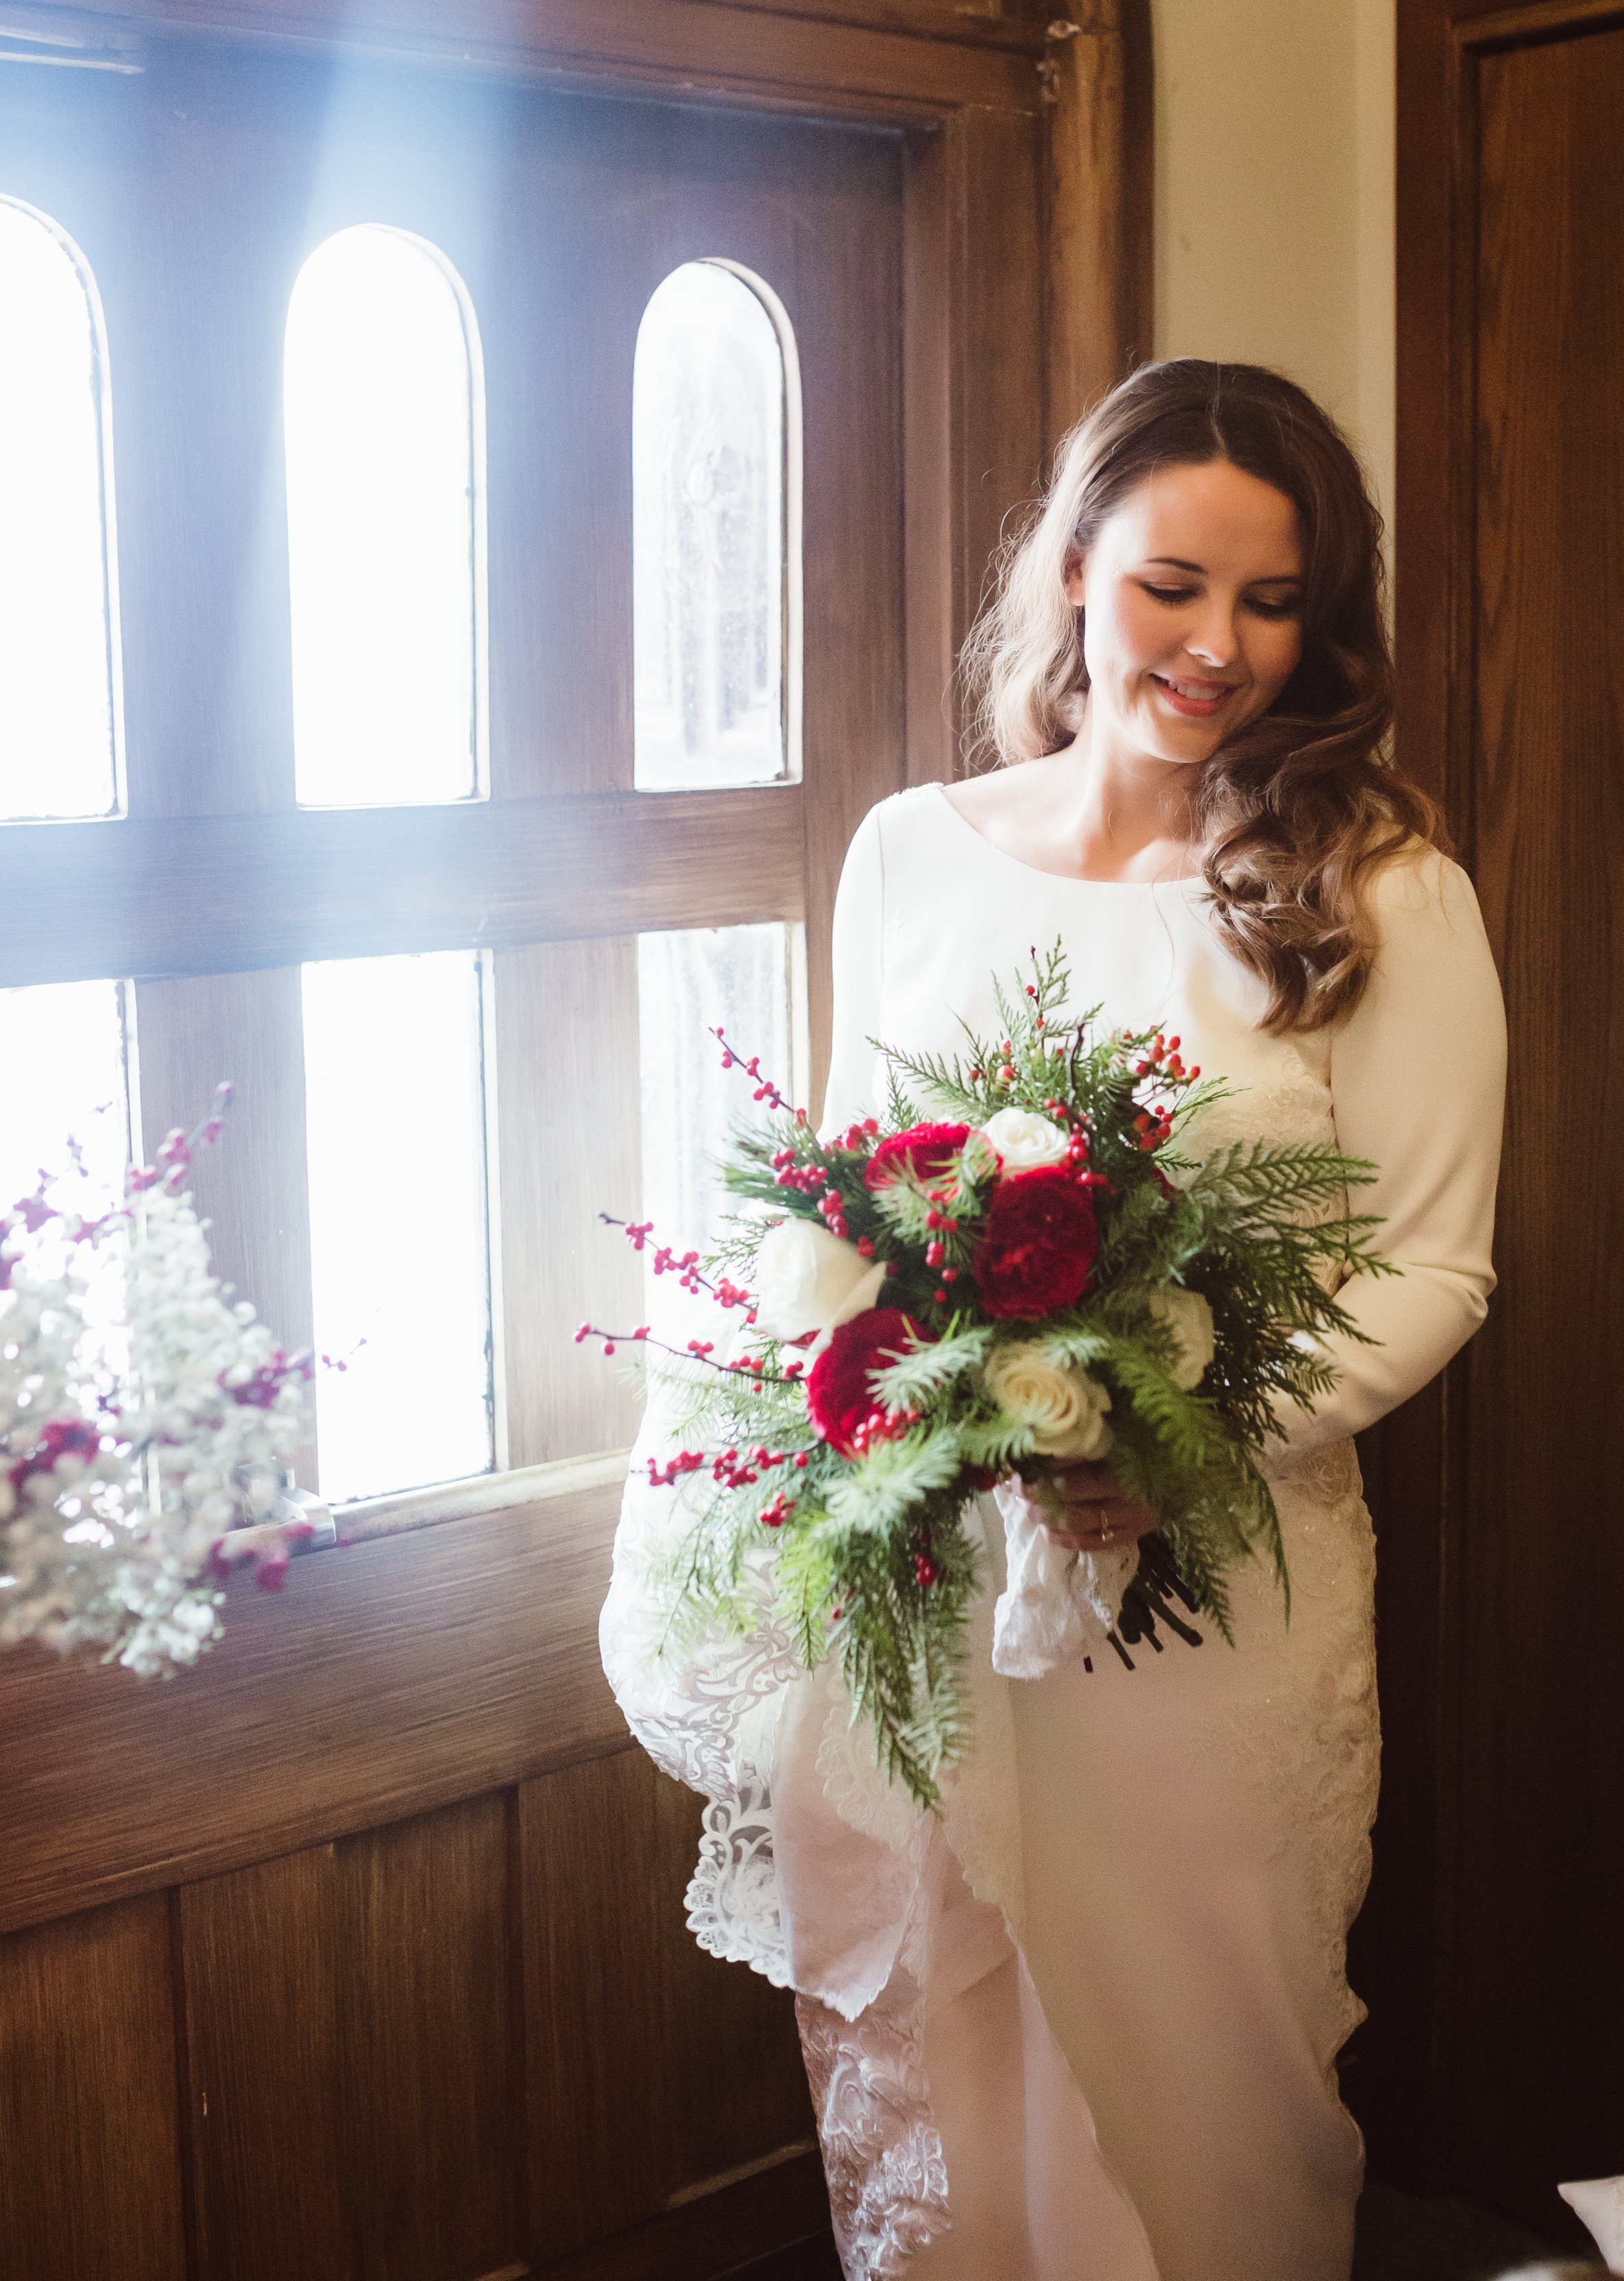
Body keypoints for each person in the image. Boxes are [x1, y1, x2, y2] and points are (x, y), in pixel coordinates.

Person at [601, 359, 1507, 2281]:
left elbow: (1434, 1264)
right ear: (1079, 562)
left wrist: (1159, 1447)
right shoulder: (911, 849)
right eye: (1175, 583)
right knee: (956, 2016)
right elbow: (847, 1206)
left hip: (1212, 1602)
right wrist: (906, 1430)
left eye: (1274, 603)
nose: (1218, 647)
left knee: (1217, 2051)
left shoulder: (1381, 891)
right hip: (943, 1596)